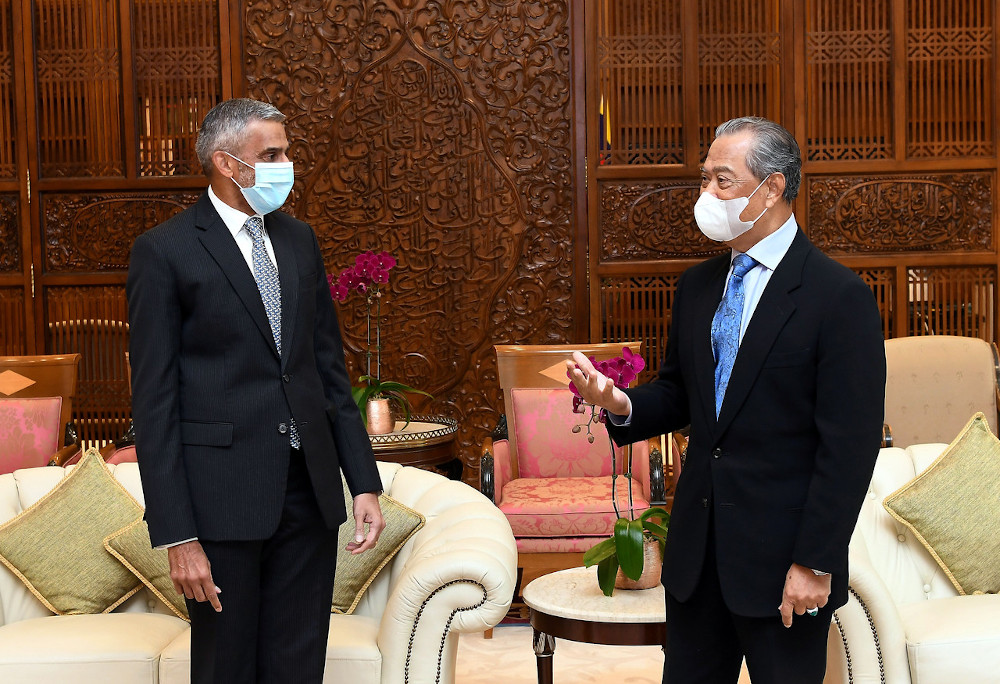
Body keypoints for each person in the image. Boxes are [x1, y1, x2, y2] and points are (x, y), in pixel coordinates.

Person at [568, 117, 885, 684]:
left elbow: (850, 446)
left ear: (772, 188)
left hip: (784, 561)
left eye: (722, 180)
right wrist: (618, 402)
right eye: (705, 179)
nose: (706, 196)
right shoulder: (697, 286)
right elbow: (682, 395)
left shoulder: (839, 297)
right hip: (698, 557)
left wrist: (814, 561)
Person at [127, 98, 385, 684]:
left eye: (285, 152)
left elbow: (326, 371)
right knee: (227, 670)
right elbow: (155, 402)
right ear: (225, 162)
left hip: (309, 493)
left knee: (298, 668)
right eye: (271, 154)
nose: (285, 164)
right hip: (221, 501)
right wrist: (177, 535)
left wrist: (362, 481)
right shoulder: (165, 250)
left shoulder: (299, 240)